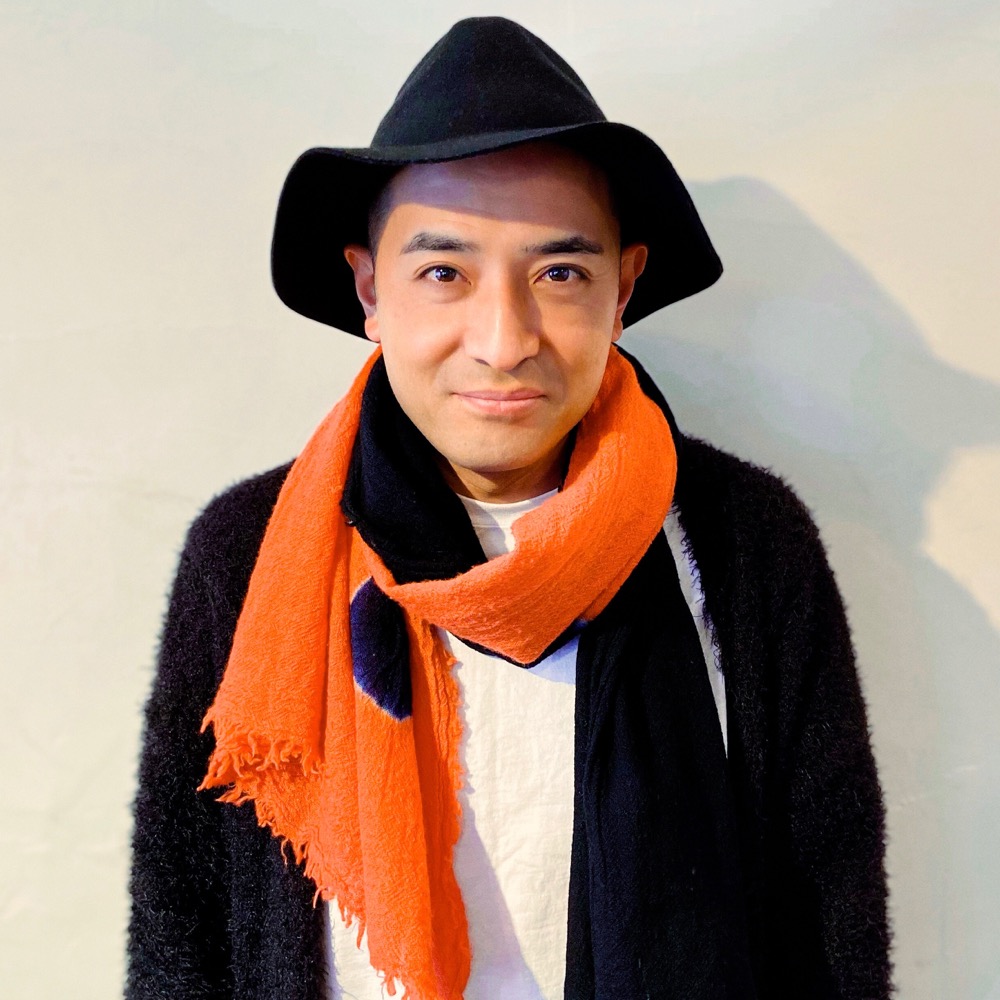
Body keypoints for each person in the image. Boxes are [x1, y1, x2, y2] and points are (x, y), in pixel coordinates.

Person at [126, 16, 890, 1000]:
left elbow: (828, 911)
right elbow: (180, 918)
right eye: (443, 272)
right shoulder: (250, 547)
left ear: (623, 287)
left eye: (559, 273)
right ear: (370, 289)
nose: (503, 339)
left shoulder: (745, 540)